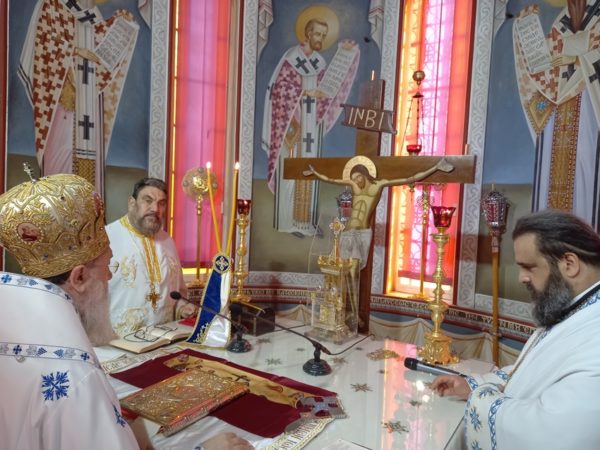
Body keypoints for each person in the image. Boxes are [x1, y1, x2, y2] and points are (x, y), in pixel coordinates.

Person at [0, 172, 253, 450]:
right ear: (79, 277)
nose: (110, 276)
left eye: (161, 202)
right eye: (108, 267)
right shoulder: (78, 374)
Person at [430, 209, 600, 449]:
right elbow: (531, 372)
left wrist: (480, 399)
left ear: (569, 264)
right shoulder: (579, 307)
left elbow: (554, 433)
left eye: (529, 267)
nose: (522, 278)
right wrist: (472, 385)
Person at [19, 0, 139, 194]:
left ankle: (89, 206)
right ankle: (56, 204)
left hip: (89, 93)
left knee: (89, 154)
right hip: (61, 90)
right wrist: (76, 51)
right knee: (61, 148)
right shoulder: (52, 3)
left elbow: (99, 43)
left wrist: (118, 24)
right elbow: (45, 40)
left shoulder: (89, 11)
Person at [262, 8, 360, 235]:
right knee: (290, 172)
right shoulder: (291, 58)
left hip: (310, 126)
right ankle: (287, 222)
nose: (320, 39)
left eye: (323, 35)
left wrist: (347, 55)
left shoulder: (319, 62)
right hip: (291, 125)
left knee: (309, 172)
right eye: (317, 34)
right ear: (307, 34)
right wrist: (304, 94)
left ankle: (305, 222)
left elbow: (329, 88)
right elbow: (280, 90)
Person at [513, 1, 600, 229]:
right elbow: (545, 65)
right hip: (559, 111)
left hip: (588, 107)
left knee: (585, 169)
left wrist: (577, 54)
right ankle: (548, 239)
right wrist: (526, 28)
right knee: (552, 169)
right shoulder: (562, 18)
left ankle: (584, 239)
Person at [107, 178, 195, 337]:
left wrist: (182, 308)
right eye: (148, 200)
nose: (155, 209)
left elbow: (178, 292)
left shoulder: (168, 241)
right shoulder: (107, 238)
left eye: (161, 203)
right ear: (132, 202)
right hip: (118, 343)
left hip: (163, 339)